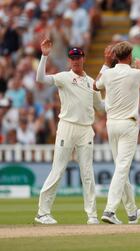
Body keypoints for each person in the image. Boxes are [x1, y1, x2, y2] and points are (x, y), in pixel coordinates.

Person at [34, 39, 104, 225]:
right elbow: (41, 79)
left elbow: (102, 107)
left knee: (87, 172)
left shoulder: (92, 83)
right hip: (67, 126)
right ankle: (42, 213)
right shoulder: (64, 77)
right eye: (72, 58)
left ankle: (92, 215)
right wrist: (44, 56)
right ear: (69, 60)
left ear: (83, 58)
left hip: (86, 129)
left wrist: (120, 99)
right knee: (58, 169)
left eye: (78, 57)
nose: (75, 61)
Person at [94, 41, 140, 224]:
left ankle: (131, 212)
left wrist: (106, 63)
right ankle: (109, 210)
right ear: (129, 56)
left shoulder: (108, 73)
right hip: (128, 125)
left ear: (115, 56)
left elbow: (95, 86)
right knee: (122, 168)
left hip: (111, 125)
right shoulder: (136, 73)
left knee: (121, 169)